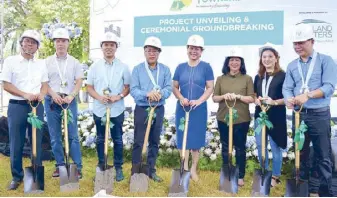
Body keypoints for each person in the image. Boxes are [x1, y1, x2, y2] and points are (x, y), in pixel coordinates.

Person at [282, 23, 337, 196]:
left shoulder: (326, 61)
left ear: (312, 41)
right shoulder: (292, 65)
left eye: (301, 42)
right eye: (295, 43)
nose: (297, 46)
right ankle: (302, 190)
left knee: (323, 155)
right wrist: (288, 99)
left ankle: (324, 191)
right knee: (300, 153)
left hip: (320, 114)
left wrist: (308, 95)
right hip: (299, 115)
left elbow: (329, 87)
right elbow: (287, 87)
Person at [0, 30, 48, 190]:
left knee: (37, 141)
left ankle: (35, 178)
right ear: (21, 43)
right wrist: (25, 94)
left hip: (36, 106)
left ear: (37, 47)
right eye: (27, 41)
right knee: (16, 142)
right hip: (17, 106)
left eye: (33, 42)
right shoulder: (10, 61)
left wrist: (42, 94)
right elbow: (6, 84)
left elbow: (45, 84)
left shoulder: (41, 64)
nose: (29, 44)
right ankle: (17, 176)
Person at [87, 32, 131, 182]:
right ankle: (102, 165)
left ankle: (118, 167)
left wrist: (118, 96)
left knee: (117, 139)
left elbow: (127, 88)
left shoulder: (123, 66)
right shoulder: (94, 67)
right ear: (101, 47)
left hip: (116, 110)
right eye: (106, 45)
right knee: (100, 139)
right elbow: (89, 88)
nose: (109, 48)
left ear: (116, 47)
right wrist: (100, 98)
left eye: (112, 45)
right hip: (100, 110)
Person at [130, 36, 172, 182]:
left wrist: (159, 95)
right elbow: (134, 90)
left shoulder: (165, 70)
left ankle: (151, 170)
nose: (151, 53)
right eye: (149, 50)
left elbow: (169, 88)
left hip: (158, 109)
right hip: (142, 109)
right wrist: (148, 94)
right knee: (138, 141)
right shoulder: (137, 70)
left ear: (159, 53)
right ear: (144, 52)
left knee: (154, 141)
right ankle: (135, 171)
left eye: (155, 51)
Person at [173, 35, 214, 181]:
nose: (194, 51)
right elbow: (175, 87)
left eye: (197, 49)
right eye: (191, 48)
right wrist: (181, 98)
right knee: (182, 136)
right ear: (187, 49)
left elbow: (210, 88)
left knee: (196, 140)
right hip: (182, 108)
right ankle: (183, 167)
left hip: (199, 109)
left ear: (201, 51)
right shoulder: (180, 67)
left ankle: (193, 169)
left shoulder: (206, 67)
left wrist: (199, 101)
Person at [44, 28, 83, 179]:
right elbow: (44, 82)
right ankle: (60, 165)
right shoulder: (47, 62)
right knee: (54, 136)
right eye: (57, 41)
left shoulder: (74, 62)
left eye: (63, 41)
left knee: (73, 136)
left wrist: (72, 95)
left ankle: (77, 167)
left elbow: (79, 80)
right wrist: (53, 95)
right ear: (54, 43)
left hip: (69, 101)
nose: (60, 44)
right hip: (52, 102)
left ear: (68, 43)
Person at [212, 47, 254, 187]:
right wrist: (224, 96)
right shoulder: (220, 79)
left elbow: (252, 98)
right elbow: (214, 98)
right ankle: (227, 173)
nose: (234, 63)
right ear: (227, 63)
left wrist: (239, 96)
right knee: (225, 147)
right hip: (223, 118)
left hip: (241, 119)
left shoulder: (247, 79)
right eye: (232, 60)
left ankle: (240, 175)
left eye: (237, 60)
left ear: (241, 63)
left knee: (240, 147)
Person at [254, 43, 287, 187]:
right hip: (260, 115)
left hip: (276, 117)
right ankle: (264, 172)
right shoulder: (259, 76)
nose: (266, 59)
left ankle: (275, 176)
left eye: (270, 57)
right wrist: (256, 99)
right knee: (261, 145)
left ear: (276, 58)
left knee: (276, 147)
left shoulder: (283, 76)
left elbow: (287, 98)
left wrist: (274, 102)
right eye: (264, 57)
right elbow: (254, 93)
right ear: (261, 59)